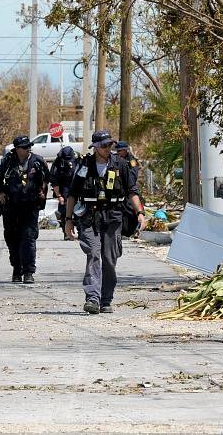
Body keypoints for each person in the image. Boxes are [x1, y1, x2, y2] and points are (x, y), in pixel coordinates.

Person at [65, 130, 146, 314]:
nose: (108, 148)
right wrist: (68, 220)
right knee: (93, 253)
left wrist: (140, 213)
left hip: (113, 216)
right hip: (89, 217)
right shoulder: (84, 164)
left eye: (110, 145)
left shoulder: (121, 164)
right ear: (95, 147)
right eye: (104, 145)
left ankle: (106, 298)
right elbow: (72, 194)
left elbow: (132, 191)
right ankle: (92, 298)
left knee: (110, 259)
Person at [0, 135, 50, 283]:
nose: (27, 148)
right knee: (12, 239)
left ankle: (29, 271)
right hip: (11, 207)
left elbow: (47, 178)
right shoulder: (7, 161)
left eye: (29, 146)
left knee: (29, 238)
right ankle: (16, 268)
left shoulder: (38, 161)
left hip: (30, 207)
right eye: (24, 147)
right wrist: (1, 191)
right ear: (17, 149)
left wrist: (43, 191)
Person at [49, 146, 81, 240]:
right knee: (64, 212)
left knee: (80, 212)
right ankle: (66, 233)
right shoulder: (58, 162)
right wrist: (59, 195)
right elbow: (54, 181)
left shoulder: (78, 159)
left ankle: (81, 232)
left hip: (78, 189)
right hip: (64, 190)